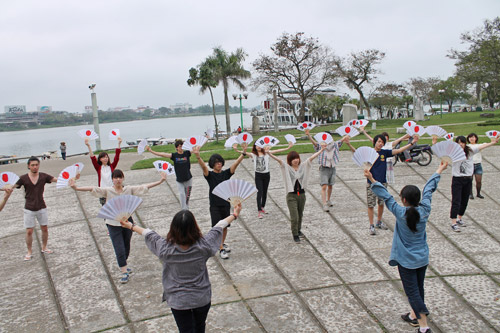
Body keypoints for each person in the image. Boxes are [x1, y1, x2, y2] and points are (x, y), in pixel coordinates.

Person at [119, 204, 242, 333]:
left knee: (185, 330)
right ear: (194, 227)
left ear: (173, 228)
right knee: (200, 327)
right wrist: (234, 214)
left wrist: (131, 226)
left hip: (178, 300)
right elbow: (219, 226)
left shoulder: (165, 249)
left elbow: (149, 234)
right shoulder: (203, 247)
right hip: (201, 297)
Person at [365, 161, 448, 333]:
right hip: (422, 258)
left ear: (403, 200)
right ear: (417, 199)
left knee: (413, 292)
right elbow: (429, 190)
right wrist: (439, 169)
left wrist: (372, 179)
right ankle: (413, 316)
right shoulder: (425, 209)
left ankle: (424, 326)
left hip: (406, 261)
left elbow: (386, 196)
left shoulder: (399, 212)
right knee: (419, 288)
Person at [70, 169, 166, 283]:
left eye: (120, 177)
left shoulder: (128, 189)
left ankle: (123, 264)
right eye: (116, 178)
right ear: (112, 179)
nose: (118, 180)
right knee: (119, 248)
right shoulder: (108, 190)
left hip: (127, 222)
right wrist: (76, 188)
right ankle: (124, 272)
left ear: (123, 178)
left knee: (126, 246)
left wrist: (160, 181)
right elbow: (92, 188)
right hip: (112, 223)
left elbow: (143, 187)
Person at [345, 134, 417, 235]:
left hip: (382, 182)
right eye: (379, 141)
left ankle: (379, 221)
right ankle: (371, 225)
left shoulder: (384, 153)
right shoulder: (370, 152)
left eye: (382, 142)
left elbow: (398, 151)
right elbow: (357, 152)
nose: (380, 144)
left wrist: (412, 143)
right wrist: (348, 144)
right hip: (371, 183)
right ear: (374, 142)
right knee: (371, 205)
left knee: (381, 203)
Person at [433, 135, 499, 232]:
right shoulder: (452, 152)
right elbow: (439, 152)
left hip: (468, 179)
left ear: (465, 143)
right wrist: (434, 142)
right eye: (458, 143)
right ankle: (453, 222)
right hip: (457, 179)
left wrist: (492, 142)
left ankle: (459, 218)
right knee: (456, 200)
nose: (460, 145)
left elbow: (481, 146)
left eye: (462, 142)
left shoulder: (470, 150)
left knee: (465, 200)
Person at [192, 144, 247, 259]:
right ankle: (221, 248)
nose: (219, 164)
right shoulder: (210, 175)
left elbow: (235, 165)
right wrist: (198, 157)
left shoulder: (226, 174)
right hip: (214, 205)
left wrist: (243, 154)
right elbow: (203, 167)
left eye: (220, 162)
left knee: (225, 226)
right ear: (213, 164)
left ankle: (221, 243)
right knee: (217, 227)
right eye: (216, 162)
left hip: (225, 204)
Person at [268, 147, 325, 242]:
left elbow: (311, 158)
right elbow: (279, 161)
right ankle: (295, 234)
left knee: (300, 214)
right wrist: (269, 154)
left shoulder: (303, 166)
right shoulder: (286, 167)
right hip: (291, 196)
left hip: (302, 195)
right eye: (293, 159)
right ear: (290, 160)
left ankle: (298, 230)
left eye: (297, 158)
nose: (296, 160)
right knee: (294, 217)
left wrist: (321, 150)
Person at [233, 141, 293, 218]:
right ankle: (259, 211)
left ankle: (262, 207)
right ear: (254, 147)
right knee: (259, 191)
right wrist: (236, 150)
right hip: (258, 176)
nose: (258, 147)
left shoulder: (267, 153)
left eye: (260, 145)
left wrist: (288, 147)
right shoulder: (253, 155)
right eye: (256, 145)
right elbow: (244, 153)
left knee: (265, 191)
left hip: (267, 175)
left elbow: (278, 150)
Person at [15, 157, 57, 261]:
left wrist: (71, 179)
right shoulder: (23, 178)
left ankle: (44, 247)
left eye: (36, 165)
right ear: (29, 166)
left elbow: (57, 180)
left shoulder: (43, 176)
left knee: (44, 228)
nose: (35, 167)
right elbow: (12, 186)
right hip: (29, 208)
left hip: (41, 206)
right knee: (29, 231)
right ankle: (29, 251)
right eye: (32, 165)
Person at [305, 128, 349, 211]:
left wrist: (348, 134)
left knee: (330, 185)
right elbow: (314, 143)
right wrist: (309, 135)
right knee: (324, 185)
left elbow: (341, 140)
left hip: (332, 167)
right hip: (324, 168)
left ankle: (328, 200)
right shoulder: (320, 146)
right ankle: (324, 203)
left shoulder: (334, 145)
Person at [146, 140, 193, 210]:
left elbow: (197, 148)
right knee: (182, 194)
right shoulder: (174, 156)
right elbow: (162, 154)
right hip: (179, 180)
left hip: (188, 179)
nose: (181, 147)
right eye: (180, 146)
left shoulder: (187, 153)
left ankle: (187, 208)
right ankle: (184, 210)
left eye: (182, 146)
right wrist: (151, 151)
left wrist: (205, 139)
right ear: (176, 148)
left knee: (187, 196)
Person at [85, 137, 122, 206]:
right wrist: (88, 146)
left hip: (112, 190)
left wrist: (119, 144)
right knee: (105, 210)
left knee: (115, 208)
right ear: (100, 159)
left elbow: (117, 157)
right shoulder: (98, 167)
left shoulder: (111, 166)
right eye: (103, 157)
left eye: (106, 157)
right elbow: (92, 158)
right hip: (102, 191)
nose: (105, 159)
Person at [466, 133, 484, 199]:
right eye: (470, 137)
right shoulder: (467, 146)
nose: (471, 138)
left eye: (473, 137)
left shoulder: (479, 145)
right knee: (470, 180)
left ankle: (478, 193)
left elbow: (486, 145)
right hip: (470, 165)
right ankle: (470, 194)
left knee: (479, 181)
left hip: (478, 165)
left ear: (476, 138)